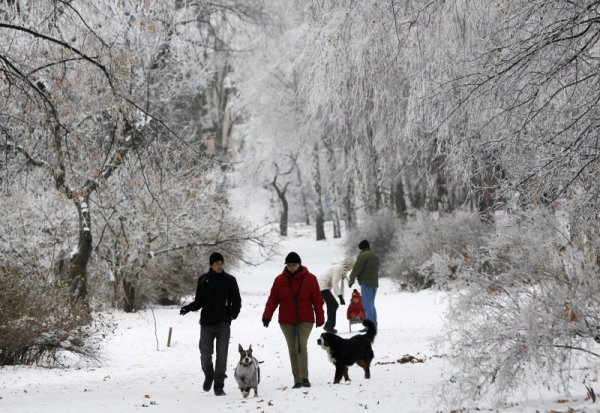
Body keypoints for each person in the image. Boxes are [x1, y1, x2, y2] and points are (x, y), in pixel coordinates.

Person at [180, 252, 242, 396]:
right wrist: (188, 308)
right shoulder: (203, 280)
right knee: (205, 353)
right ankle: (209, 373)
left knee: (222, 355)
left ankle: (219, 384)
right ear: (211, 265)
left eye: (221, 263)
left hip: (223, 324)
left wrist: (231, 315)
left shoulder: (230, 280)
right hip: (206, 324)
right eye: (216, 263)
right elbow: (199, 301)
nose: (220, 266)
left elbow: (237, 301)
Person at [262, 251, 324, 389]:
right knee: (292, 349)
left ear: (299, 264)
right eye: (289, 265)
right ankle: (297, 380)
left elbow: (317, 300)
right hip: (286, 320)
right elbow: (273, 300)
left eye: (294, 265)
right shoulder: (279, 280)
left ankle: (304, 377)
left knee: (300, 345)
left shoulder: (311, 279)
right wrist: (267, 316)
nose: (291, 267)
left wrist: (320, 317)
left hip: (306, 318)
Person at [348, 240, 380, 330]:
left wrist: (351, 279)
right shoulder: (375, 256)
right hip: (374, 283)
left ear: (361, 248)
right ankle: (374, 324)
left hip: (366, 283)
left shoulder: (362, 256)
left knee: (367, 305)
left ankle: (369, 326)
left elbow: (357, 268)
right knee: (371, 304)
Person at [317, 258, 354, 334]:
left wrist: (349, 283)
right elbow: (335, 283)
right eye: (351, 267)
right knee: (334, 305)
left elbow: (345, 275)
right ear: (348, 265)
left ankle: (329, 326)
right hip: (322, 286)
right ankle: (329, 326)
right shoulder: (338, 268)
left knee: (332, 305)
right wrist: (340, 297)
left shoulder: (342, 269)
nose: (351, 269)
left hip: (325, 286)